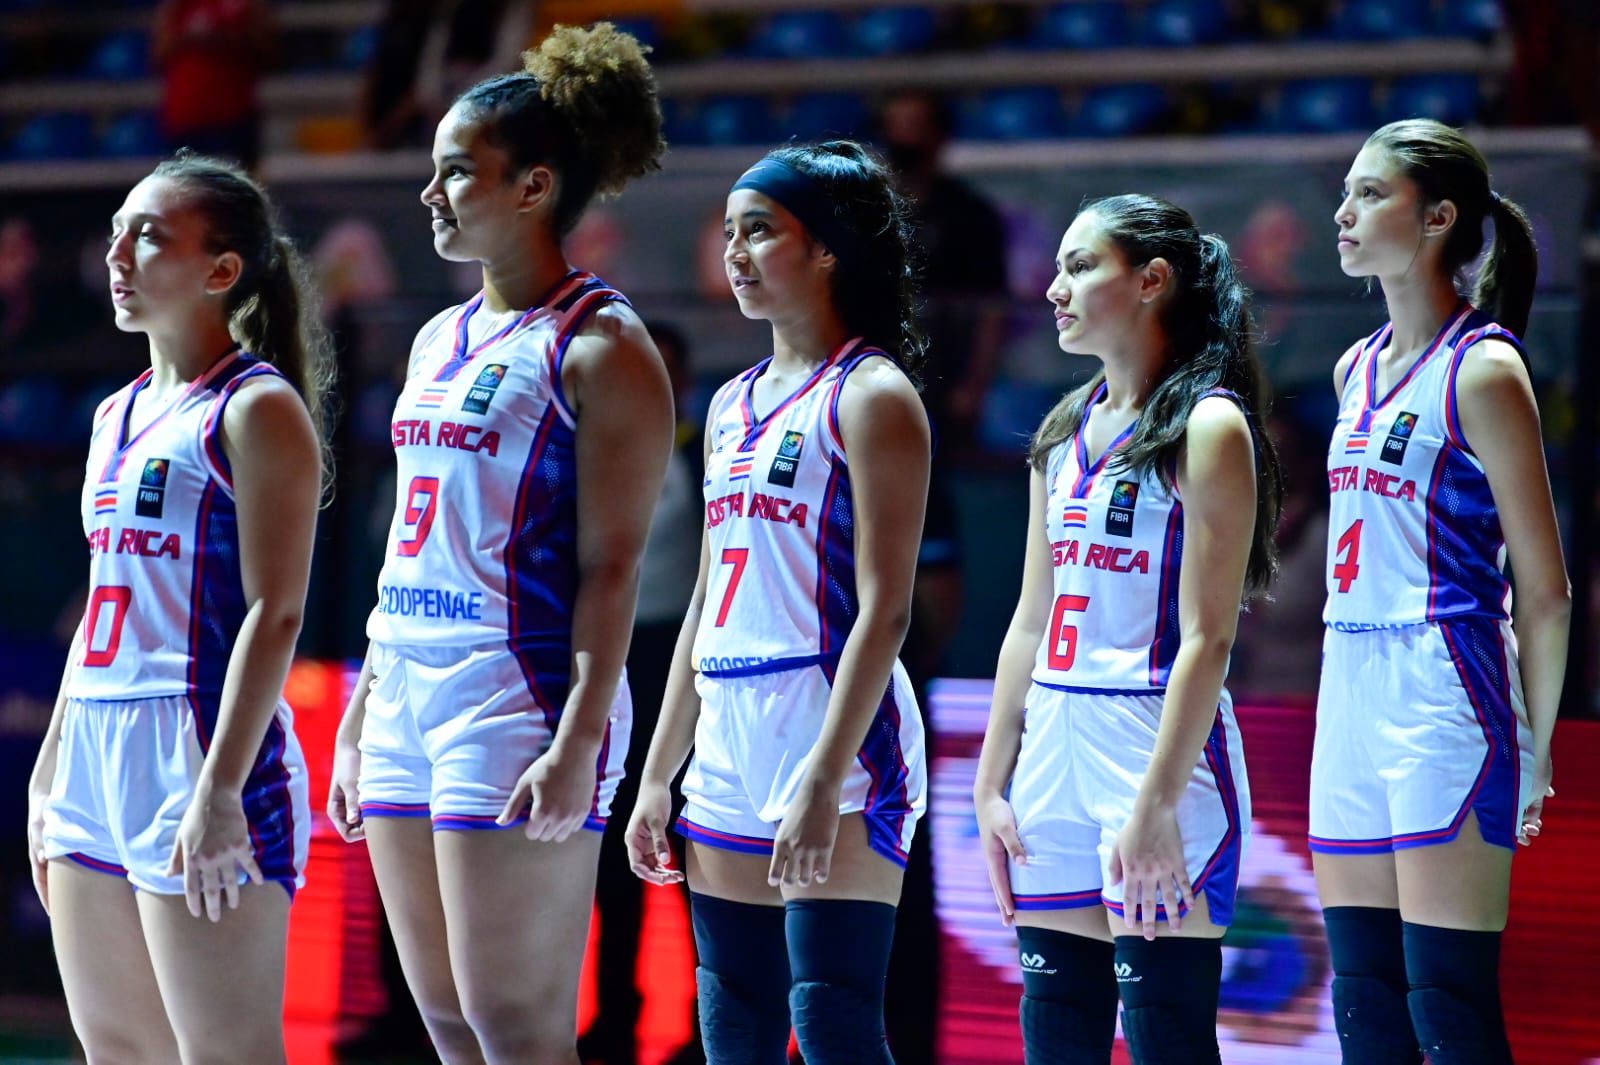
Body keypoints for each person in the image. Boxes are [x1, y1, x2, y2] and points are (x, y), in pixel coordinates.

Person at [324, 22, 674, 1065]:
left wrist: (579, 738)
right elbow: (409, 543)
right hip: (405, 685)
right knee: (443, 1022)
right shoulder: (437, 336)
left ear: (532, 187)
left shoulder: (605, 344)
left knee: (514, 1027)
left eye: (454, 173)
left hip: (515, 689)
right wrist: (361, 710)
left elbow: (614, 566)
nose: (429, 193)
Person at [624, 139, 931, 1065]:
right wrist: (658, 771)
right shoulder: (728, 404)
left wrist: (826, 775)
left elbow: (886, 610)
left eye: (759, 230)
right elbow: (707, 597)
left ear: (827, 248)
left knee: (835, 1022)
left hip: (833, 721)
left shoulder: (873, 394)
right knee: (734, 1025)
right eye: (729, 233)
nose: (735, 252)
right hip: (727, 723)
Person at [25, 151, 332, 1063]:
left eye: (150, 236)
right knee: (117, 1047)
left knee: (225, 1052)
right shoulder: (111, 415)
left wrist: (221, 789)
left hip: (196, 743)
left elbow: (276, 613)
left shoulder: (255, 407)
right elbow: (103, 603)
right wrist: (51, 768)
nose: (117, 254)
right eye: (117, 232)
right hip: (93, 743)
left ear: (221, 269)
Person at [973, 193, 1284, 1064]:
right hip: (1052, 751)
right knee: (1056, 1033)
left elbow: (1209, 638)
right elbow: (1028, 619)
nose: (1055, 289)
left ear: (1151, 281)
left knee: (1165, 1038)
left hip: (1151, 747)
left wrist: (1154, 804)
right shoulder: (1060, 428)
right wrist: (992, 782)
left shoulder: (1209, 424)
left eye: (1080, 267)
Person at [1312, 119, 1570, 1065]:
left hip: (1445, 684)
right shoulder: (1352, 367)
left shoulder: (1485, 367)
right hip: (1347, 681)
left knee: (1447, 1008)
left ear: (1438, 218)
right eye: (1347, 192)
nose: (1343, 213)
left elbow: (1545, 589)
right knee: (1364, 1004)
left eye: (1370, 193)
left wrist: (1535, 746)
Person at [583, 321, 704, 1065]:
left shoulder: (707, 452)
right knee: (609, 857)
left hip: (681, 669)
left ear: (683, 381)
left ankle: (702, 1024)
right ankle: (613, 1020)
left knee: (693, 851)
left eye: (666, 370)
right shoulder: (587, 455)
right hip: (608, 662)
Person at [154, 0, 276, 170]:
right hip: (186, 114)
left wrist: (222, 37)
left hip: (233, 114)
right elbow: (159, 54)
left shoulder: (248, 7)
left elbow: (268, 52)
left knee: (239, 181)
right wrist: (188, 37)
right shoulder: (178, 8)